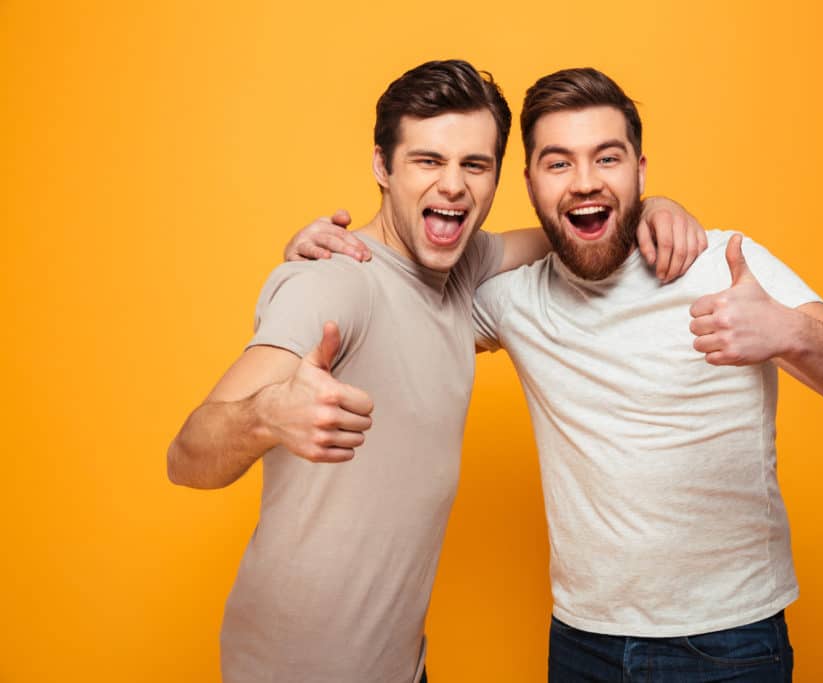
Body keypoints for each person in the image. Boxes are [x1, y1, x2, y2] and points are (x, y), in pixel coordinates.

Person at [293, 67, 823, 682]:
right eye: (559, 163)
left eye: (608, 158)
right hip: (581, 643)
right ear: (532, 182)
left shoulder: (725, 266)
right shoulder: (510, 299)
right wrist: (330, 261)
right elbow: (401, 300)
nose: (584, 182)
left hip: (727, 644)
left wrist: (791, 332)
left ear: (641, 170)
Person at [167, 60, 703, 683]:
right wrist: (264, 415)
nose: (453, 186)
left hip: (402, 667)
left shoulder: (466, 265)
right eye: (427, 161)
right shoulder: (335, 284)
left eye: (474, 166)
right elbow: (185, 456)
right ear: (381, 167)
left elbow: (573, 233)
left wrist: (652, 204)